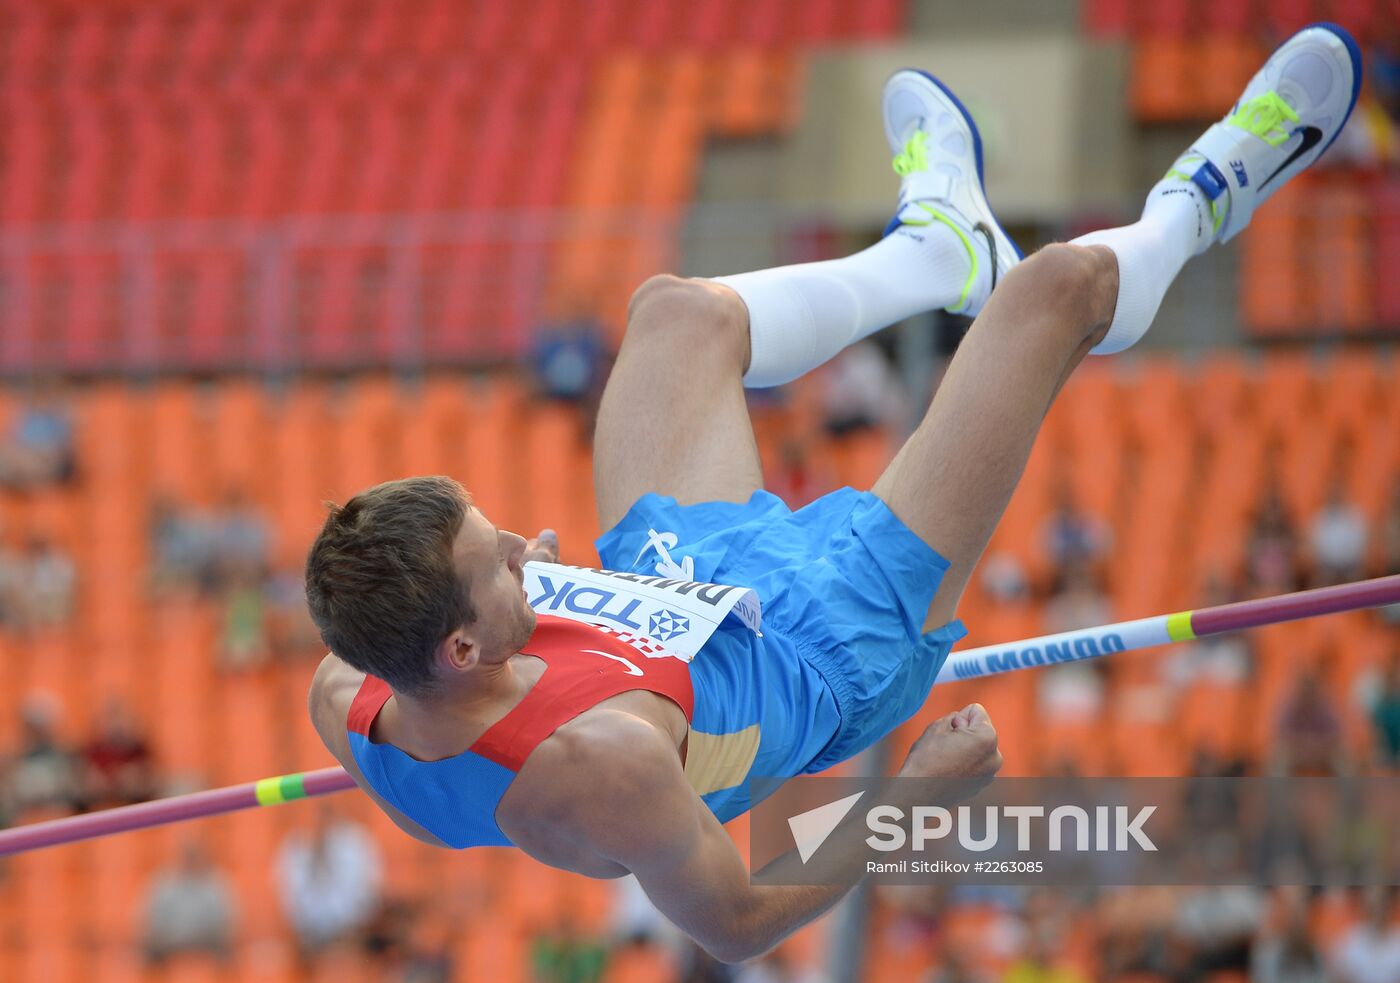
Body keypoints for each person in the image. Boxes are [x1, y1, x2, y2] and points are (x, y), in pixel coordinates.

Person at [305, 28, 1360, 963]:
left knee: (674, 314)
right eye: (502, 564)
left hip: (670, 588)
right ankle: (1210, 190)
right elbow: (737, 921)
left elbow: (461, 695)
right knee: (1052, 293)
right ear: (457, 651)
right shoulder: (600, 763)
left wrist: (533, 597)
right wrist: (910, 802)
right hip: (831, 647)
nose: (530, 547)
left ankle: (935, 248)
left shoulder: (343, 686)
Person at [274, 804, 383, 962]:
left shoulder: (356, 841)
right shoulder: (295, 846)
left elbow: (368, 894)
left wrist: (346, 928)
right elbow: (289, 899)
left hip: (351, 933)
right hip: (310, 937)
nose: (320, 820)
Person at [140, 838, 237, 966]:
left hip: (206, 945)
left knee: (228, 956)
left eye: (194, 857)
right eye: (188, 856)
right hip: (169, 945)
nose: (191, 861)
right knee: (147, 956)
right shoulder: (163, 883)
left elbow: (227, 922)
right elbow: (150, 922)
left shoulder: (216, 883)